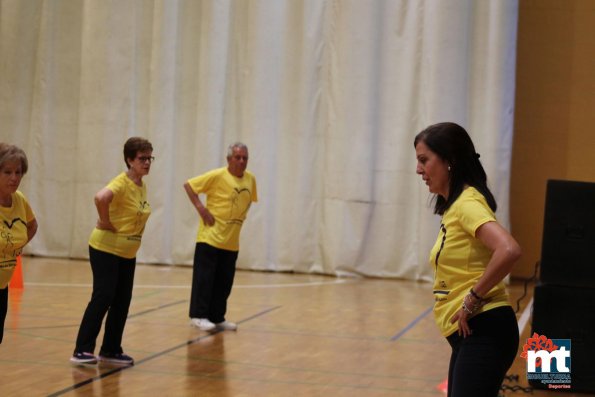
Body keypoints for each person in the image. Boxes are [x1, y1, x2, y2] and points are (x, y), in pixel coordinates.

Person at [414, 122, 521, 397]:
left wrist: (473, 297)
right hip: (471, 334)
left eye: (424, 160)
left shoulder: (467, 203)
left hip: (486, 329)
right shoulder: (455, 207)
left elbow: (508, 250)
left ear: (449, 160)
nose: (419, 170)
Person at [70, 137, 153, 365]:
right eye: (142, 158)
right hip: (106, 248)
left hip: (127, 253)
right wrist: (104, 221)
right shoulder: (122, 182)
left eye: (149, 158)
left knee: (122, 300)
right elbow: (100, 197)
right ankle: (82, 349)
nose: (147, 162)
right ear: (129, 160)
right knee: (103, 296)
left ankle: (111, 349)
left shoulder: (141, 185)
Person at [184, 142, 258, 332]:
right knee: (204, 280)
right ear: (229, 159)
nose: (241, 161)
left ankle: (217, 317)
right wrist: (201, 209)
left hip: (231, 242)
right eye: (237, 157)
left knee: (224, 283)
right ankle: (198, 316)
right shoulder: (218, 175)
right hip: (210, 238)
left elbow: (248, 201)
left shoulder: (250, 179)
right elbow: (189, 186)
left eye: (245, 158)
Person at [0, 143, 38, 344]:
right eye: (7, 172)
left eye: (18, 172)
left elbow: (32, 225)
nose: (14, 178)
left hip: (2, 283)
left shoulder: (19, 199)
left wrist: (15, 247)